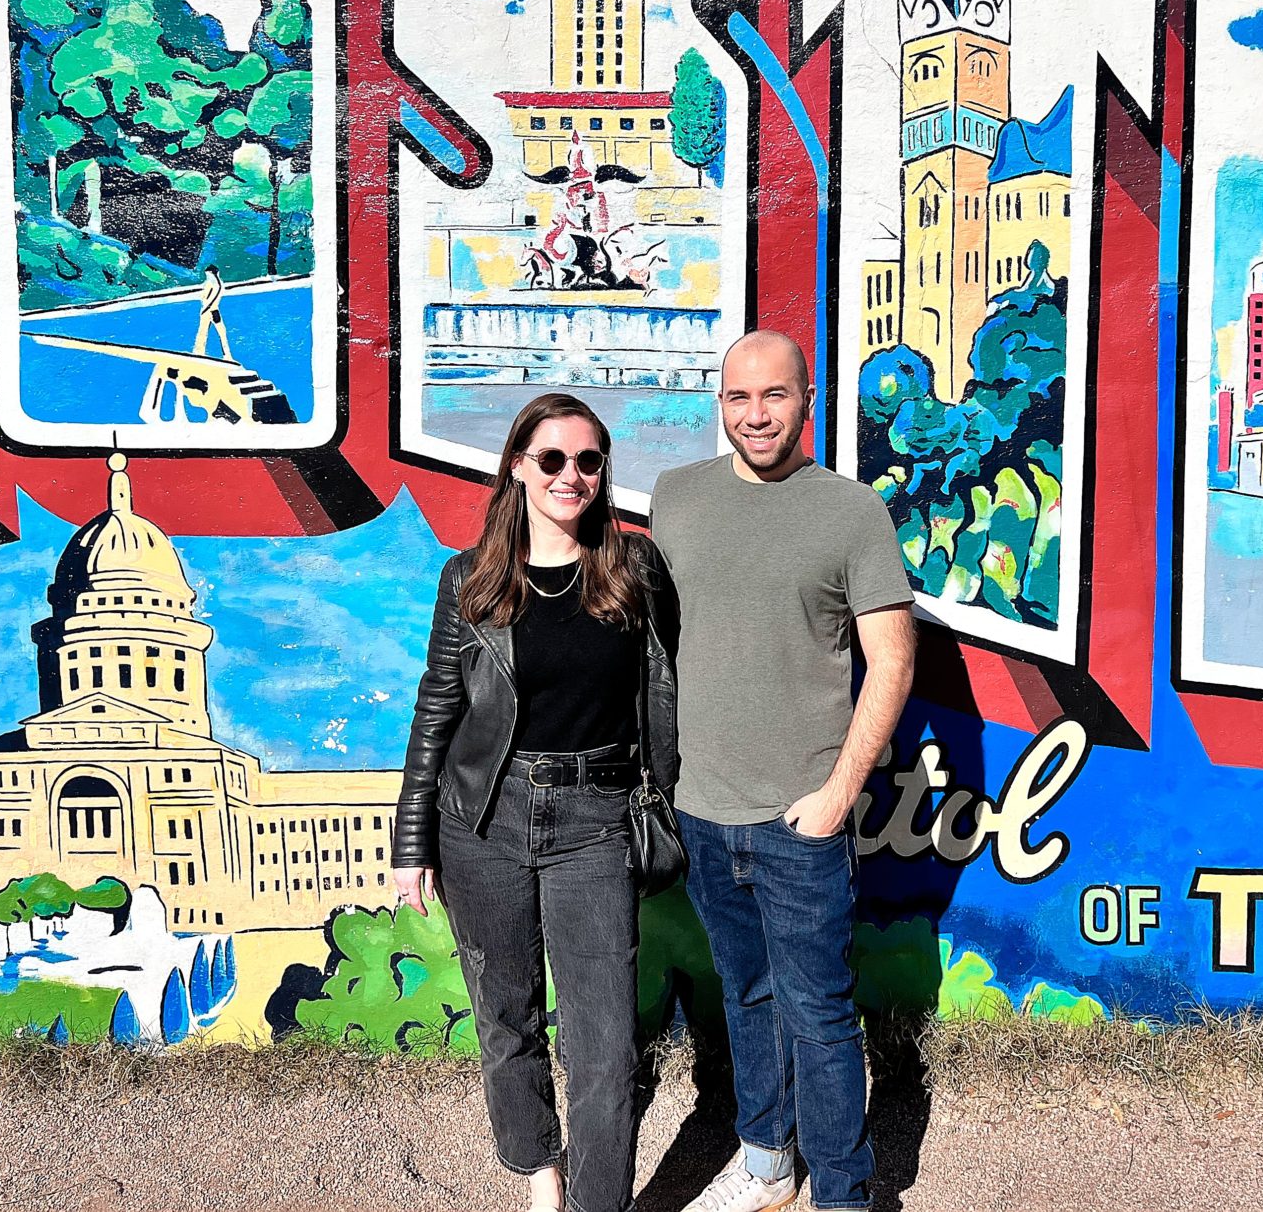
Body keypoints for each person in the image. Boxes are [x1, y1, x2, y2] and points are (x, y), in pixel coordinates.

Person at [651, 331, 918, 1212]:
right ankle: (768, 1166)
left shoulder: (850, 512)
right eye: (738, 397)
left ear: (808, 398)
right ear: (718, 403)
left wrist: (838, 796)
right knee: (745, 993)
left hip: (801, 819)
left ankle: (843, 1195)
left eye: (774, 396)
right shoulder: (676, 498)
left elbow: (892, 662)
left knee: (821, 1014)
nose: (755, 414)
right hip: (702, 808)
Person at [392, 392, 678, 1212]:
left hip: (597, 818)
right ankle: (540, 1173)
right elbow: (437, 709)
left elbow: (668, 690)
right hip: (483, 819)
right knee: (507, 1015)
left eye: (588, 461)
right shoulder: (470, 581)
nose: (571, 476)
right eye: (551, 458)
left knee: (603, 1042)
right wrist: (413, 839)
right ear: (518, 465)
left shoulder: (634, 570)